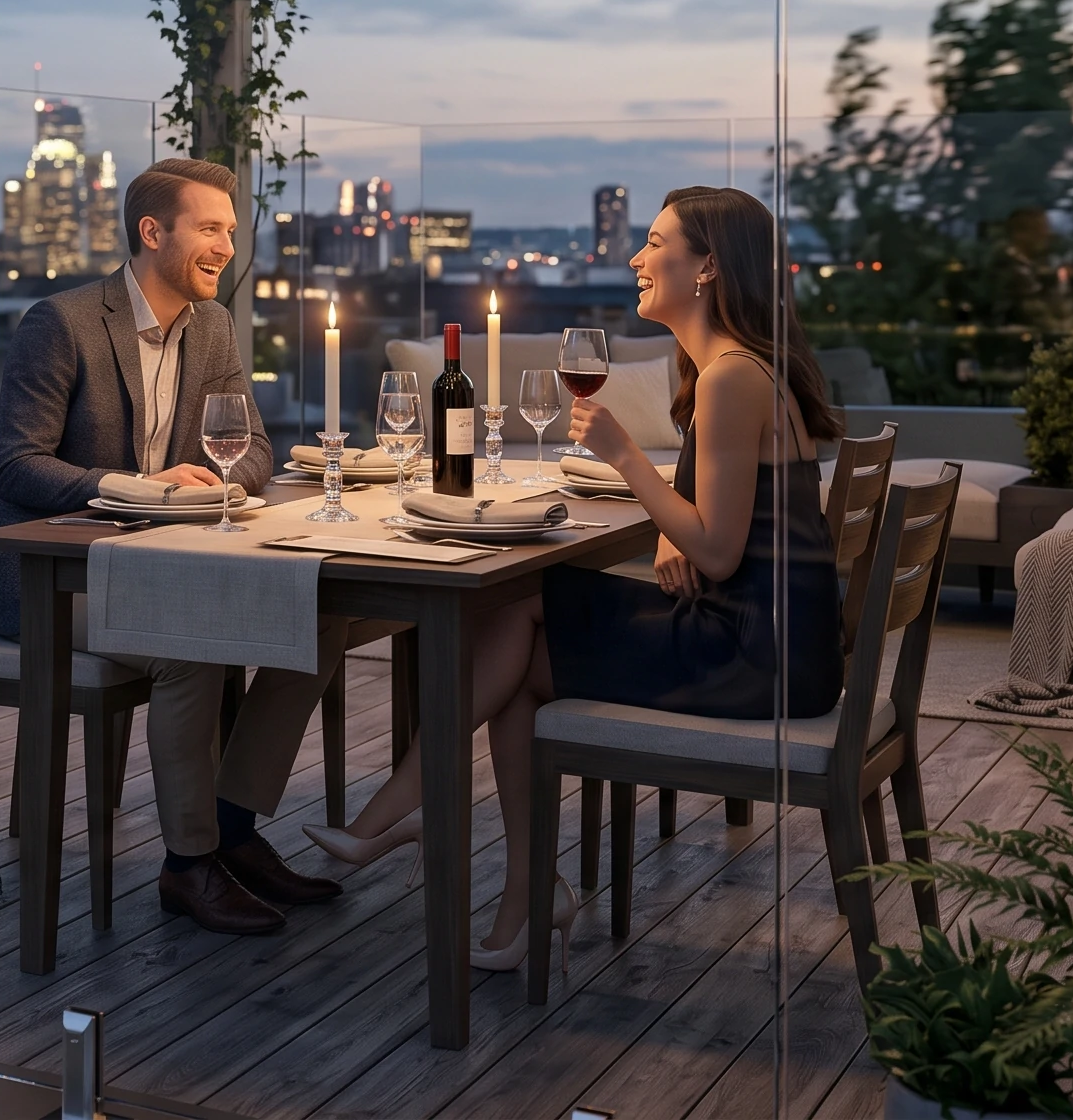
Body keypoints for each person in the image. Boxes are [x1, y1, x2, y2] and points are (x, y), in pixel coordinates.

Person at [300, 186, 842, 968]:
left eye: (655, 242)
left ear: (709, 267)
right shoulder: (740, 369)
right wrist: (670, 525)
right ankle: (512, 889)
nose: (635, 257)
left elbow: (719, 553)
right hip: (779, 641)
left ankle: (406, 815)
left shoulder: (731, 379)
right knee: (519, 638)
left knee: (516, 620)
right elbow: (733, 525)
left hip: (753, 657)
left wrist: (626, 458)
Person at [0, 156, 346, 937]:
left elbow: (253, 445)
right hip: (60, 581)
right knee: (190, 648)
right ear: (154, 232)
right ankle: (188, 867)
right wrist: (142, 488)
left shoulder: (212, 324)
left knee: (323, 617)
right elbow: (17, 463)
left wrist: (220, 485)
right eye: (211, 228)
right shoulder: (63, 323)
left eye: (231, 228)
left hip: (165, 561)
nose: (227, 244)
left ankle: (231, 827)